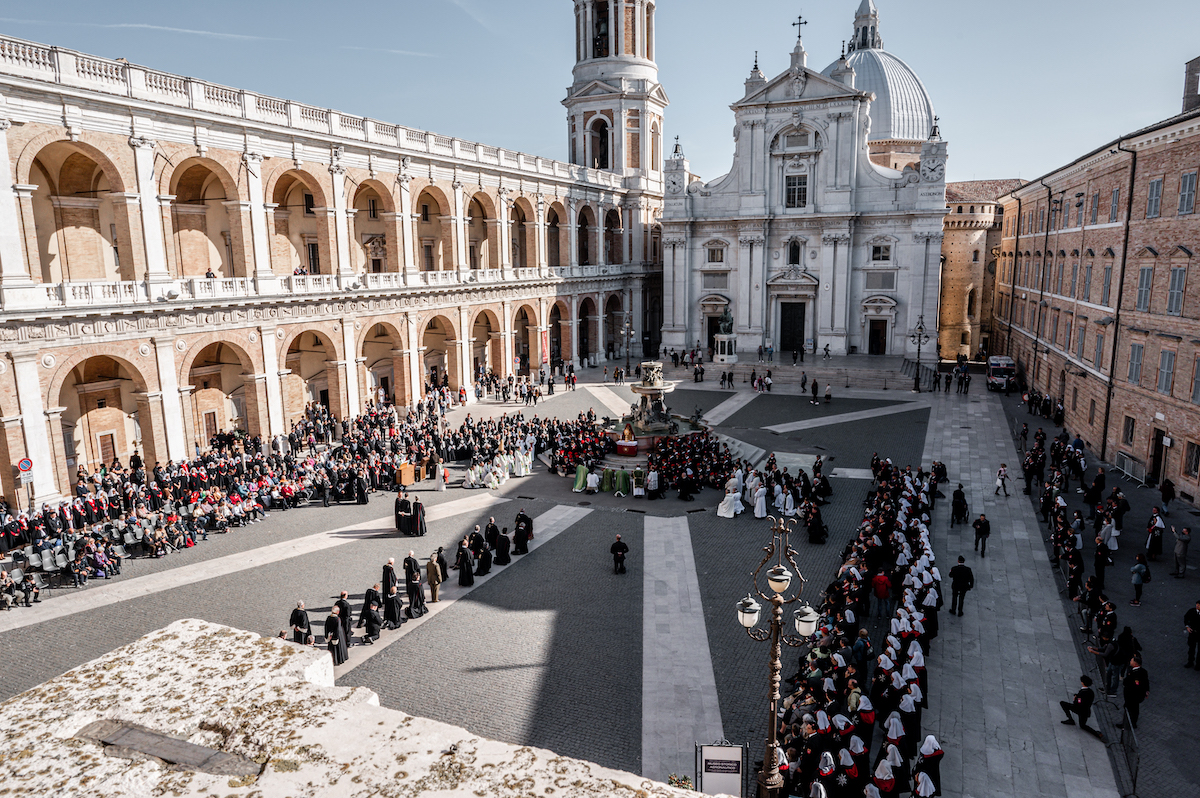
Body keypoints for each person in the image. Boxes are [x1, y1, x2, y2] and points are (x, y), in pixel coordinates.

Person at [1118, 654, 1149, 730]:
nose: (1130, 661)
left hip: (1133, 696)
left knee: (1130, 710)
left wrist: (1146, 690)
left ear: (1135, 664)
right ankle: (1132, 723)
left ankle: (1126, 724)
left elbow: (1138, 685)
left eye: (1131, 660)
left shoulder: (1137, 674)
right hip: (1132, 695)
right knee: (1134, 709)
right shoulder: (1141, 671)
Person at [1184, 599, 1200, 670]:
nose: (1197, 606)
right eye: (1197, 604)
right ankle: (1190, 662)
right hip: (1193, 633)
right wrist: (1187, 627)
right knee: (1191, 648)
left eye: (1199, 605)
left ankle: (1198, 664)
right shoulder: (1192, 611)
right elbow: (1186, 618)